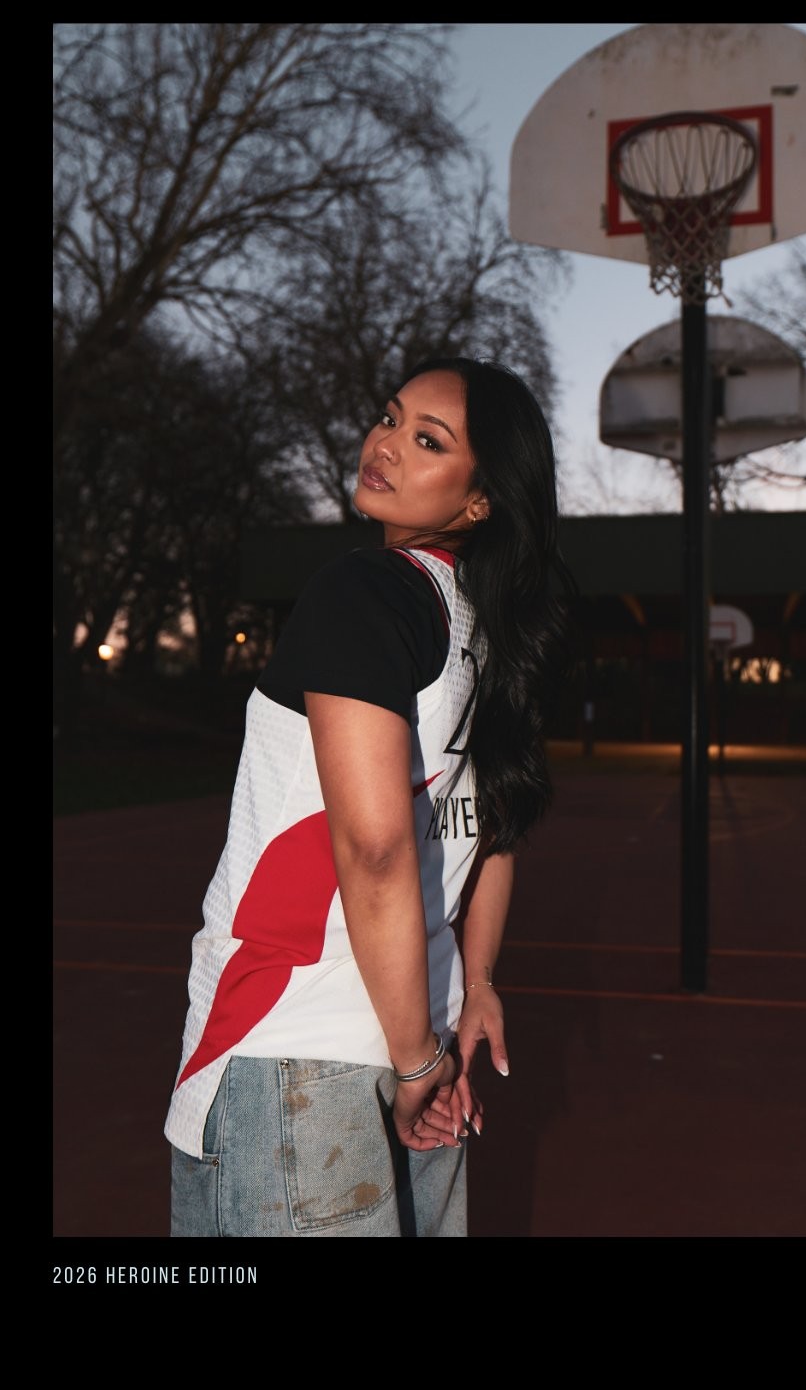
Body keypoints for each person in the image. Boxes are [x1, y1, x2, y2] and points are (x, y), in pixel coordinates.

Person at [166, 355, 573, 1237]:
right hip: (422, 1031)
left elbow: (377, 846)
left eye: (429, 440)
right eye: (391, 418)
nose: (385, 444)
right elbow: (494, 834)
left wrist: (418, 1061)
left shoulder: (366, 590)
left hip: (295, 1041)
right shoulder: (491, 636)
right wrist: (477, 985)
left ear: (480, 501)